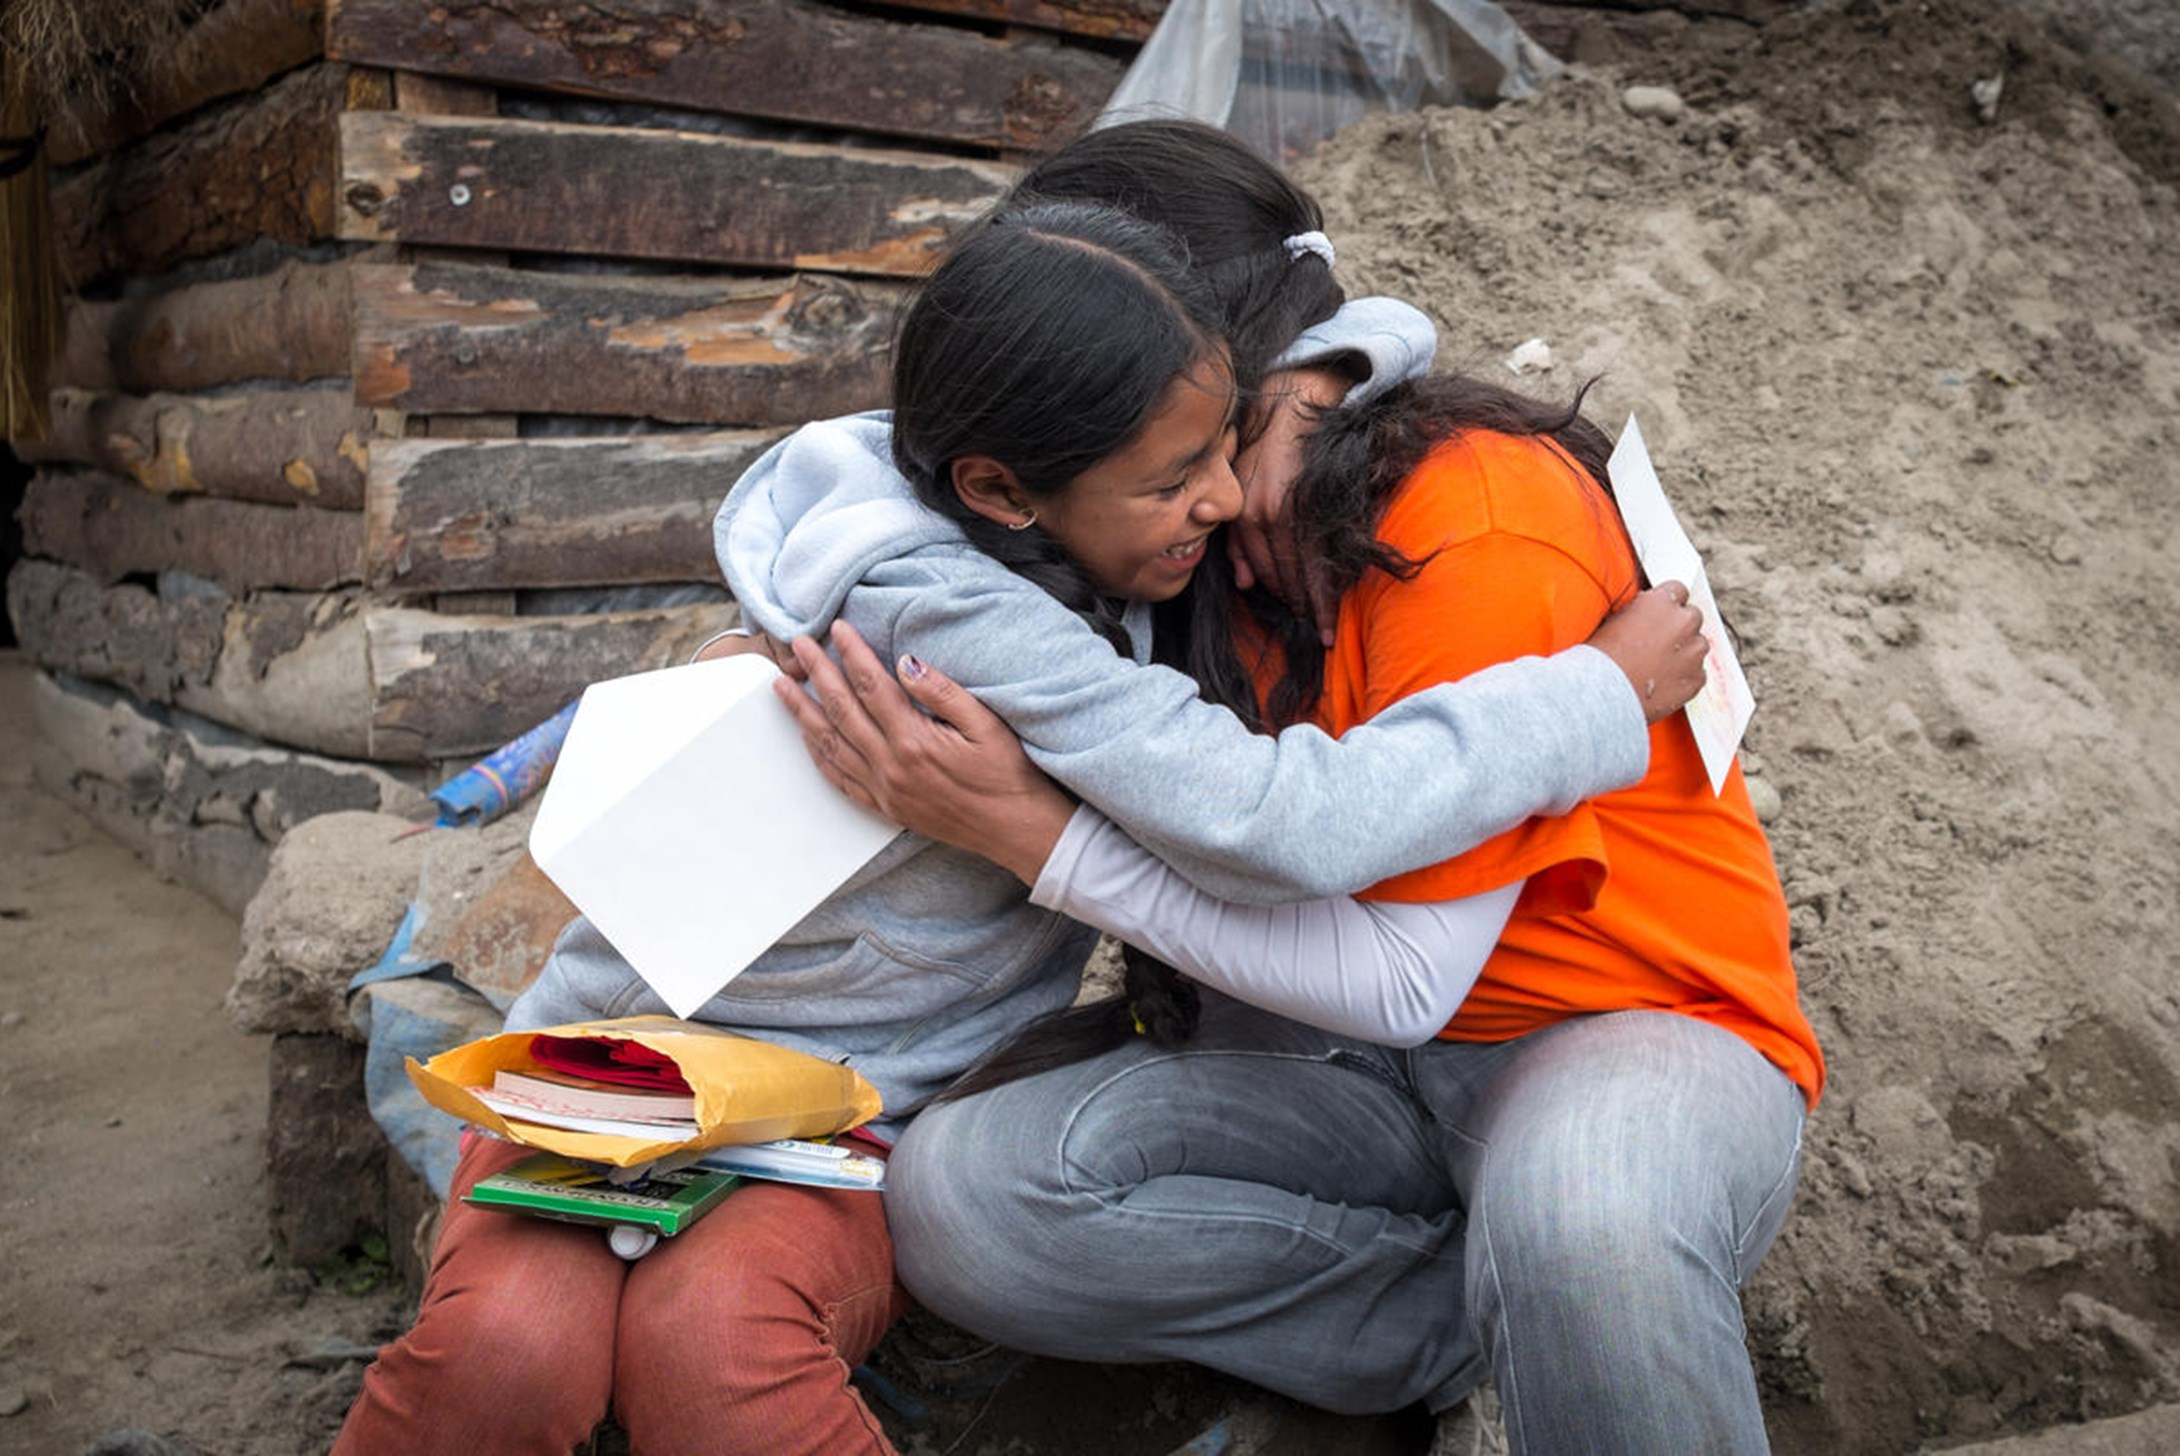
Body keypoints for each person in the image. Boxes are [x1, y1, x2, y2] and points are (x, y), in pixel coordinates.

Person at [331, 135, 1705, 1456]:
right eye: (1184, 475)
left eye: (1238, 439)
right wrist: (1587, 699)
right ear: (1003, 490)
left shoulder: (1067, 510)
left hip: (845, 1109)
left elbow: (1304, 322)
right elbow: (1282, 823)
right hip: (609, 1078)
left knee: (713, 1349)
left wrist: (1335, 374)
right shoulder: (962, 614)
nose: (1227, 501)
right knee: (509, 1354)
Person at [780, 347, 1823, 1450]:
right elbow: (858, 486)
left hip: (1620, 1025)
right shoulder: (1178, 547)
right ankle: (1476, 1328)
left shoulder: (1469, 512)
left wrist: (1036, 833)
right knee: (967, 1200)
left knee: (1591, 1219)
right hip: (1342, 1054)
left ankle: (1552, 1285)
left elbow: (1402, 971)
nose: (1214, 497)